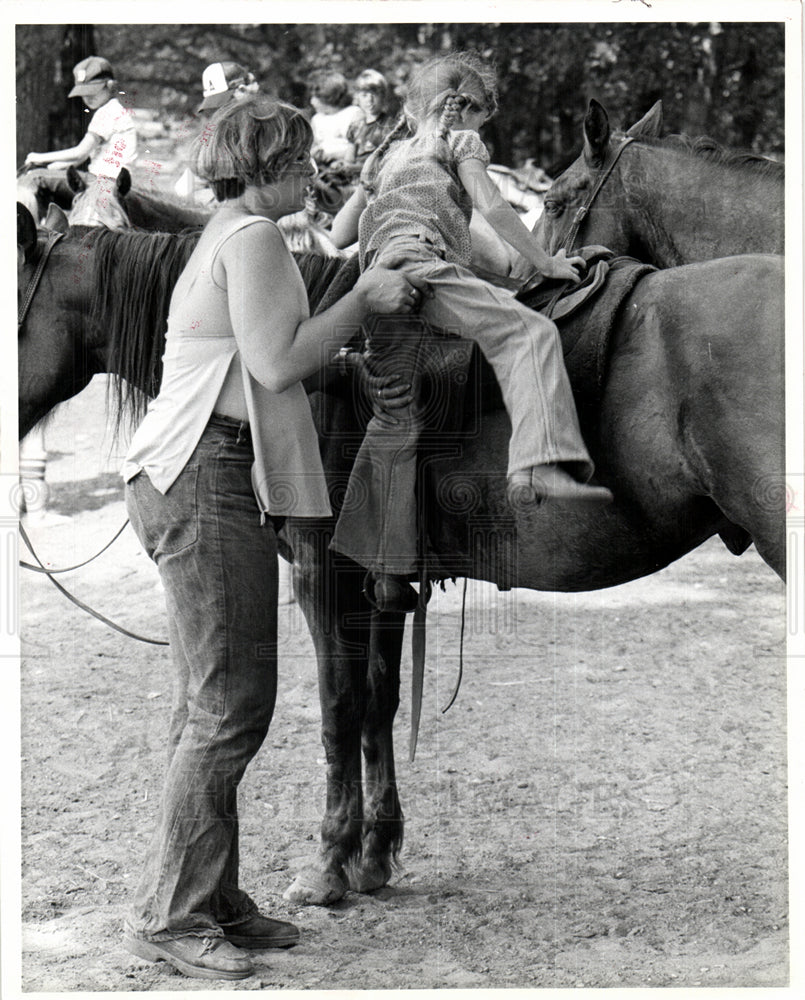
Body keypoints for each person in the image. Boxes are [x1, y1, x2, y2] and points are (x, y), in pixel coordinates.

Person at [120, 95, 425, 982]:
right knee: (228, 708)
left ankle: (211, 897)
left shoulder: (231, 233)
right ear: (257, 169)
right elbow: (273, 362)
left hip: (201, 472)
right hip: (204, 475)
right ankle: (174, 918)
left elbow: (260, 356)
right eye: (296, 162)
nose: (310, 175)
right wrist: (364, 300)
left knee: (209, 703)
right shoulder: (251, 239)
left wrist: (336, 362)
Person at [329, 52, 613, 612]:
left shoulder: (387, 160)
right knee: (529, 335)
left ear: (410, 113)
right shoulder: (461, 144)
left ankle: (387, 568)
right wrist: (548, 262)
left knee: (399, 411)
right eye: (485, 119)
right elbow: (491, 205)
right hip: (422, 268)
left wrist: (366, 191)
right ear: (471, 114)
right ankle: (538, 463)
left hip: (378, 287)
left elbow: (340, 234)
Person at [22, 56, 137, 223]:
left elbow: (80, 153)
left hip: (101, 182)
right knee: (50, 177)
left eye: (93, 91)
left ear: (110, 85)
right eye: (83, 93)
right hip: (111, 182)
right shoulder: (115, 110)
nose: (88, 98)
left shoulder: (107, 112)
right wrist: (60, 166)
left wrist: (38, 157)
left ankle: (32, 230)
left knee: (33, 178)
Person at [174, 61, 260, 202]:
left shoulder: (271, 125)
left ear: (242, 91)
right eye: (216, 104)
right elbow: (185, 189)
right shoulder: (218, 133)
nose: (221, 111)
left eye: (225, 102)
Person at [308, 70, 363, 167]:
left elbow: (360, 147)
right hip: (321, 168)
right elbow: (312, 147)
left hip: (347, 166)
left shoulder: (353, 114)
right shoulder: (317, 119)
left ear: (327, 97)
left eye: (316, 97)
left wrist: (332, 155)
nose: (312, 102)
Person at [345, 69, 396, 170]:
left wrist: (355, 168)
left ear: (383, 96)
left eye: (375, 95)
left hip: (376, 174)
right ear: (357, 97)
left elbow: (388, 162)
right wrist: (344, 164)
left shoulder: (389, 125)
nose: (369, 100)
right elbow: (349, 158)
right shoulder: (356, 125)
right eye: (364, 95)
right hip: (354, 176)